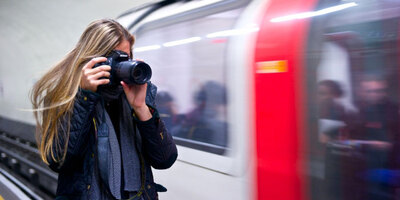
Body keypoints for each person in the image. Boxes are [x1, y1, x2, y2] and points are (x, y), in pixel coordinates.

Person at [30, 19, 178, 200]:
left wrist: (141, 108)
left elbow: (164, 159)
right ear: (92, 60)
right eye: (115, 59)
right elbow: (59, 160)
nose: (121, 66)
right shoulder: (66, 95)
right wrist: (85, 98)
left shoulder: (138, 94)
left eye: (126, 58)